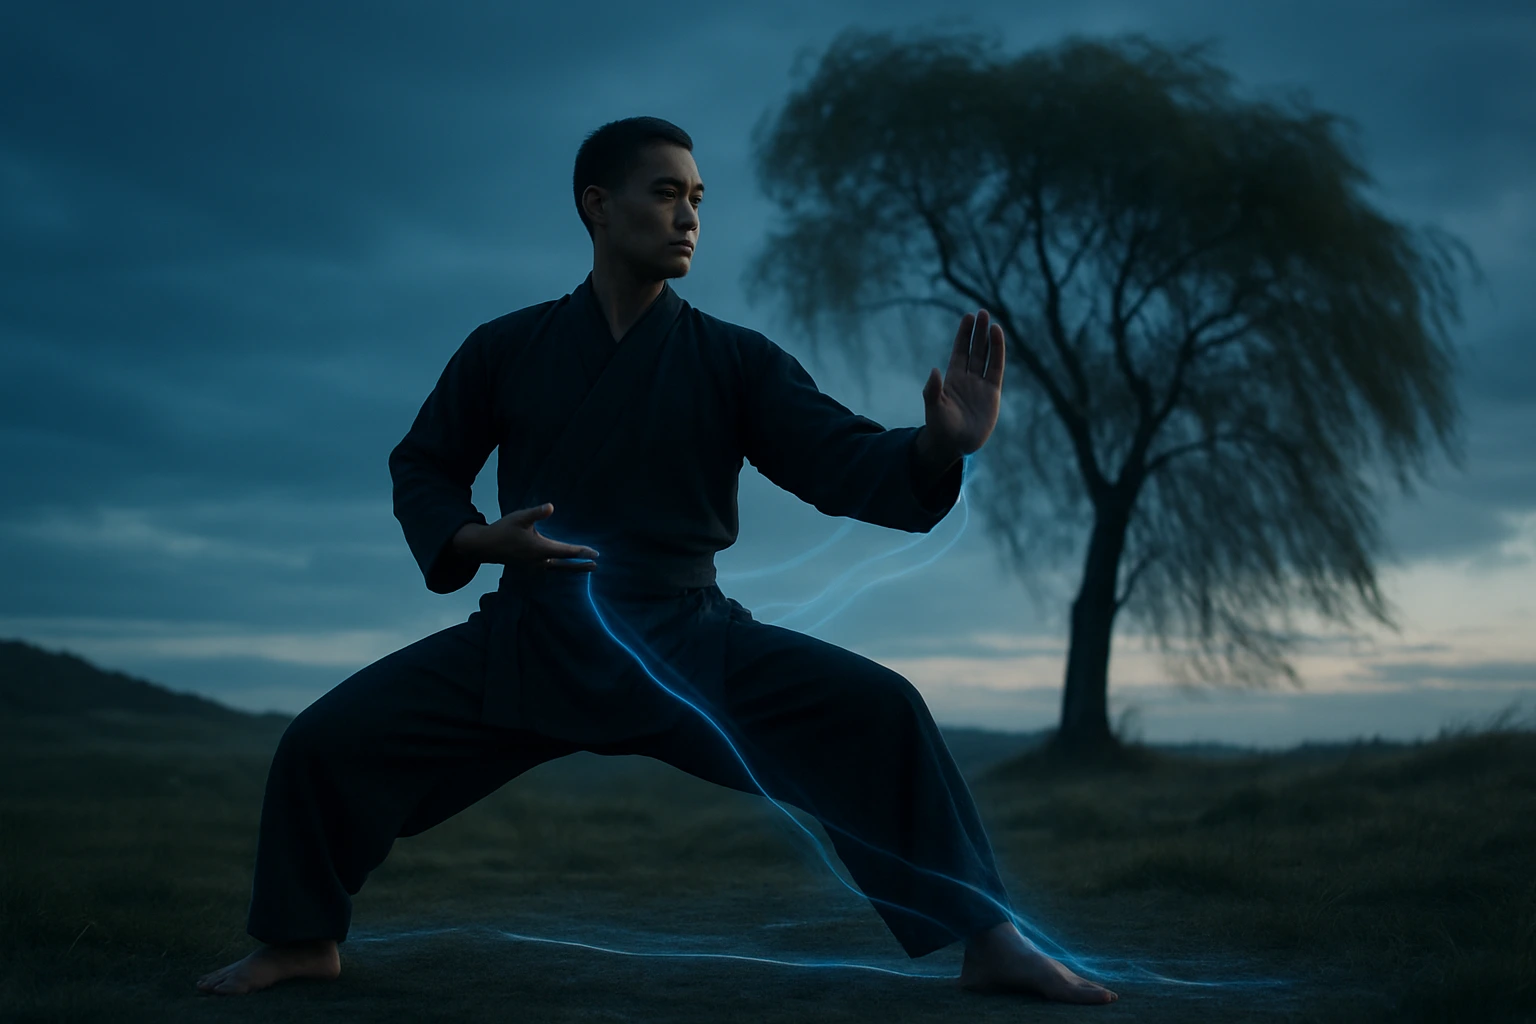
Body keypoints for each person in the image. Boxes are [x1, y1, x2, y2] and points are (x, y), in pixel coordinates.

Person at [195, 116, 1116, 1005]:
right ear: (597, 205)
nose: (689, 218)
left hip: (687, 641)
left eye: (699, 199)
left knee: (882, 710)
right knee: (324, 744)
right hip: (532, 639)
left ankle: (991, 942)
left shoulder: (735, 360)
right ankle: (302, 940)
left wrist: (936, 447)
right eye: (666, 193)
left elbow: (838, 459)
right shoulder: (507, 348)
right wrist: (476, 539)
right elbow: (424, 465)